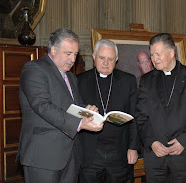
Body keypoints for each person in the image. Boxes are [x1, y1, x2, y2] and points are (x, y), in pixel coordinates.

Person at [17, 28, 103, 183]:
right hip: (43, 156)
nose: (72, 59)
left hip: (70, 155)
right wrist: (79, 123)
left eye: (75, 54)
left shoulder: (70, 77)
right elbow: (42, 106)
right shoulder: (34, 69)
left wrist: (87, 112)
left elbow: (72, 106)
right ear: (53, 50)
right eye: (68, 53)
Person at [136, 33, 186, 183]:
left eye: (158, 54)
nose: (154, 59)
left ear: (171, 52)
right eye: (152, 55)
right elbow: (141, 116)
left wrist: (183, 141)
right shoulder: (146, 80)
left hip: (185, 157)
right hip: (156, 158)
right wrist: (153, 142)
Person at [77, 39, 139, 183]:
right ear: (94, 57)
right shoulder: (79, 81)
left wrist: (133, 147)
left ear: (116, 59)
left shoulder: (127, 80)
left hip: (120, 152)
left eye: (110, 59)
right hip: (90, 153)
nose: (106, 63)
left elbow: (135, 116)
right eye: (101, 58)